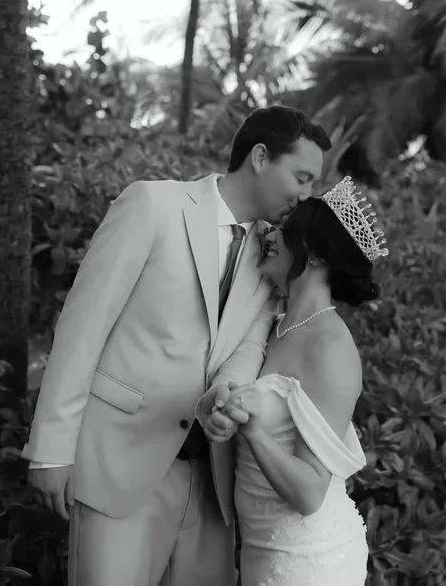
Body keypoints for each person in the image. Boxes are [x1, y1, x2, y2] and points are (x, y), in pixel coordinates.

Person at [22, 105, 331, 586]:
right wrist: (50, 450)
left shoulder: (272, 254)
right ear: (261, 156)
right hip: (119, 466)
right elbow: (84, 327)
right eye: (302, 177)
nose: (307, 195)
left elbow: (248, 348)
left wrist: (226, 397)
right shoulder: (152, 206)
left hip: (213, 479)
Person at [200, 175, 389, 585]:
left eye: (285, 231)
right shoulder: (279, 323)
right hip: (261, 549)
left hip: (308, 560)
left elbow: (309, 493)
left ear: (316, 255)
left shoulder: (330, 348)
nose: (269, 233)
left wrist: (254, 433)